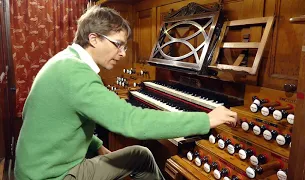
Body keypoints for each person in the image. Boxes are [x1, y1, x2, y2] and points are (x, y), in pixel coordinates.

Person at [14, 5, 238, 180]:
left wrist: (95, 144)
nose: (122, 53)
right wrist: (205, 119)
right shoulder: (76, 73)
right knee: (142, 155)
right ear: (93, 38)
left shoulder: (63, 60)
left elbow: (53, 119)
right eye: (118, 44)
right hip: (51, 176)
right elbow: (131, 122)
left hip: (31, 169)